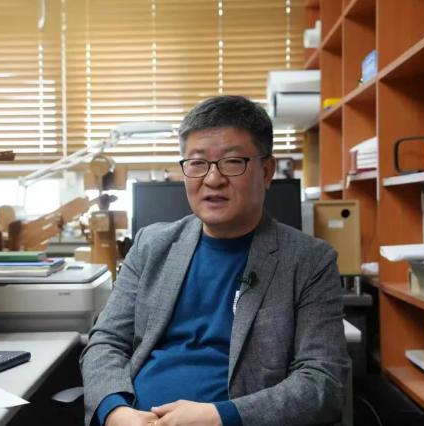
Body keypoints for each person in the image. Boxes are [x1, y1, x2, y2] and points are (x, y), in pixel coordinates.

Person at [80, 95, 349, 426]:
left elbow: (323, 381)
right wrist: (115, 411)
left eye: (232, 162)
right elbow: (106, 342)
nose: (212, 179)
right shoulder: (152, 245)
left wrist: (220, 416)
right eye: (197, 163)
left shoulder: (309, 261)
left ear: (267, 171)